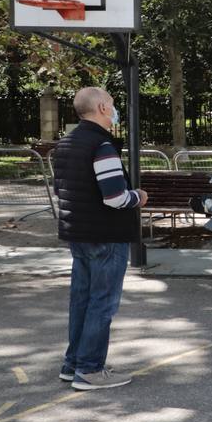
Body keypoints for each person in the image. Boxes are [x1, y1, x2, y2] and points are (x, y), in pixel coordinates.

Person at [51, 87, 146, 391]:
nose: (115, 110)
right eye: (113, 105)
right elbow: (115, 197)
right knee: (102, 303)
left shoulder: (66, 143)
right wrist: (138, 197)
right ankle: (90, 369)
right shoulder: (101, 145)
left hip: (78, 233)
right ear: (103, 107)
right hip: (106, 235)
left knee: (81, 300)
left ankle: (73, 363)